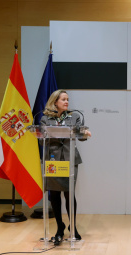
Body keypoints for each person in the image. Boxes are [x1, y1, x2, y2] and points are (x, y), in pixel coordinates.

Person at [40, 90, 92, 246]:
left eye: (67, 99)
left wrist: (86, 133)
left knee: (69, 193)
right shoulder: (45, 119)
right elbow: (42, 141)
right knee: (54, 193)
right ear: (55, 101)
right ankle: (59, 227)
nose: (66, 102)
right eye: (63, 99)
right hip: (53, 160)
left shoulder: (74, 116)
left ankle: (73, 227)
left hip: (70, 159)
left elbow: (81, 136)